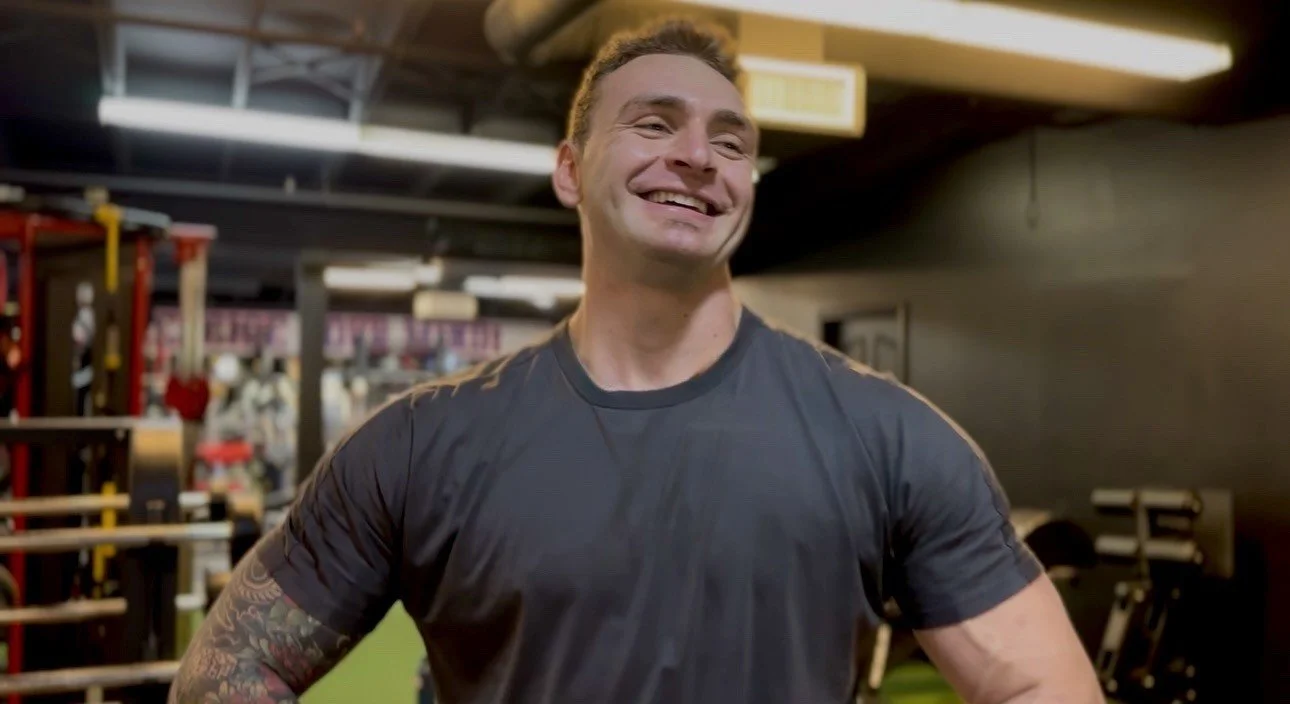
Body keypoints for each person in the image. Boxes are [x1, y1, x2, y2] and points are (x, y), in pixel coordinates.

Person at [169, 17, 1102, 704]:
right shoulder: (420, 445)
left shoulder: (888, 435)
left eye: (729, 141)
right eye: (654, 125)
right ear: (570, 167)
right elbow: (225, 669)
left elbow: (1045, 690)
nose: (698, 156)